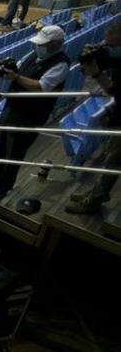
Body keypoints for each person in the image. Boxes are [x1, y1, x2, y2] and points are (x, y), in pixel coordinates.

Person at [0, 25, 70, 198]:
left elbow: (41, 87)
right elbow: (19, 67)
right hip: (12, 106)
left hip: (30, 115)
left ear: (57, 44)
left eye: (44, 44)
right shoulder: (34, 54)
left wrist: (16, 77)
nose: (39, 47)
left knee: (14, 151)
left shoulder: (61, 63)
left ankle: (4, 186)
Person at [67, 25, 121, 215]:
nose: (106, 36)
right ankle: (97, 192)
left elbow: (113, 90)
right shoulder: (114, 55)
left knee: (114, 160)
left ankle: (94, 200)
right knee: (110, 158)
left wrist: (96, 73)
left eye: (110, 33)